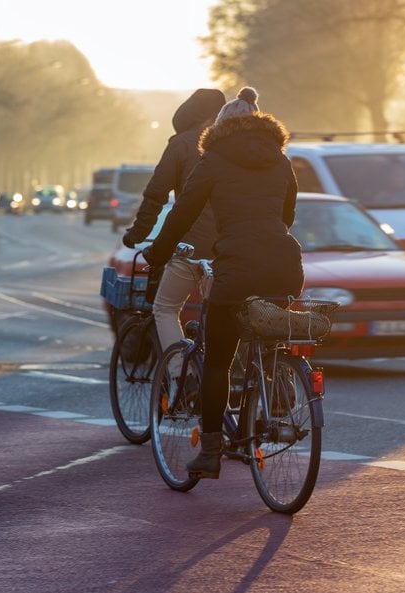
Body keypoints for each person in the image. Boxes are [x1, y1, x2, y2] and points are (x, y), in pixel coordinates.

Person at [144, 87, 305, 479]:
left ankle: (211, 451)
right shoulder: (280, 160)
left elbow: (183, 212)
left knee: (218, 360)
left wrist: (158, 253)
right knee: (264, 329)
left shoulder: (213, 160)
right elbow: (288, 214)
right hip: (284, 263)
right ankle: (273, 395)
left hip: (235, 266)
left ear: (220, 126)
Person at [121, 88, 226, 369]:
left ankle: (181, 377)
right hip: (234, 246)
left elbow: (156, 193)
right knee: (228, 312)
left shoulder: (182, 144)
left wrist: (138, 234)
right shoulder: (232, 145)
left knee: (165, 308)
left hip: (193, 246)